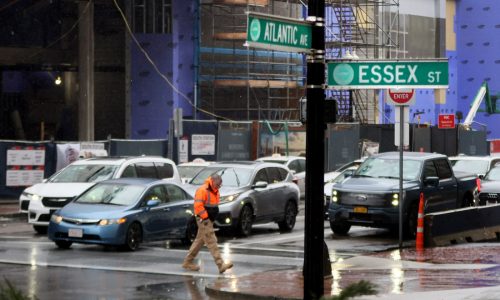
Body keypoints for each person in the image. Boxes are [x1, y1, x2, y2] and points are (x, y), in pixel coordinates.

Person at [182, 174, 233, 274]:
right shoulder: (202, 190)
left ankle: (187, 262)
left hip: (208, 219)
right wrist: (205, 218)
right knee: (211, 240)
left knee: (199, 241)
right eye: (217, 185)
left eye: (220, 185)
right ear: (212, 181)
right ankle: (220, 264)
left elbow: (213, 205)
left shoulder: (215, 190)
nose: (218, 187)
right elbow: (198, 206)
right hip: (204, 220)